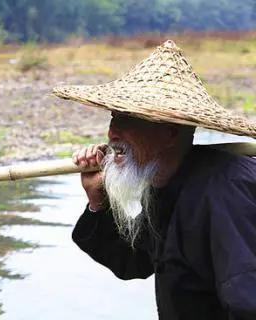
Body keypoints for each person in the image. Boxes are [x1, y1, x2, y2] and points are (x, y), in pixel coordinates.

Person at [53, 40, 256, 320]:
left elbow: (248, 302)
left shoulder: (225, 191)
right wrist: (98, 200)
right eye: (114, 117)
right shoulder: (165, 182)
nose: (112, 133)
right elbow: (133, 261)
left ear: (170, 132)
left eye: (129, 120)